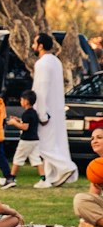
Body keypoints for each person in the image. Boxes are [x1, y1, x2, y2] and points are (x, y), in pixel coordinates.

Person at [32, 32, 78, 189]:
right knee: (55, 142)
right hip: (56, 109)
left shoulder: (42, 63)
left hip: (46, 110)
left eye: (34, 43)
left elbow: (41, 89)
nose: (32, 46)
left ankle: (66, 167)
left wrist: (41, 112)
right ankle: (50, 178)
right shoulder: (56, 61)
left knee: (43, 145)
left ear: (41, 46)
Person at [6, 89, 42, 177]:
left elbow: (25, 127)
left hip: (26, 140)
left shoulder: (26, 113)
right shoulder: (34, 113)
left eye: (21, 100)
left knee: (17, 158)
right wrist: (19, 120)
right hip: (35, 140)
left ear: (26, 101)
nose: (20, 102)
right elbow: (29, 123)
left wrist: (14, 123)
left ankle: (11, 178)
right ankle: (44, 179)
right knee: (36, 160)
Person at [75, 129, 103, 227]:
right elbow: (92, 196)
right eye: (92, 138)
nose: (94, 141)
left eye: (99, 138)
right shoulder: (97, 166)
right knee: (81, 199)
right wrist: (83, 220)